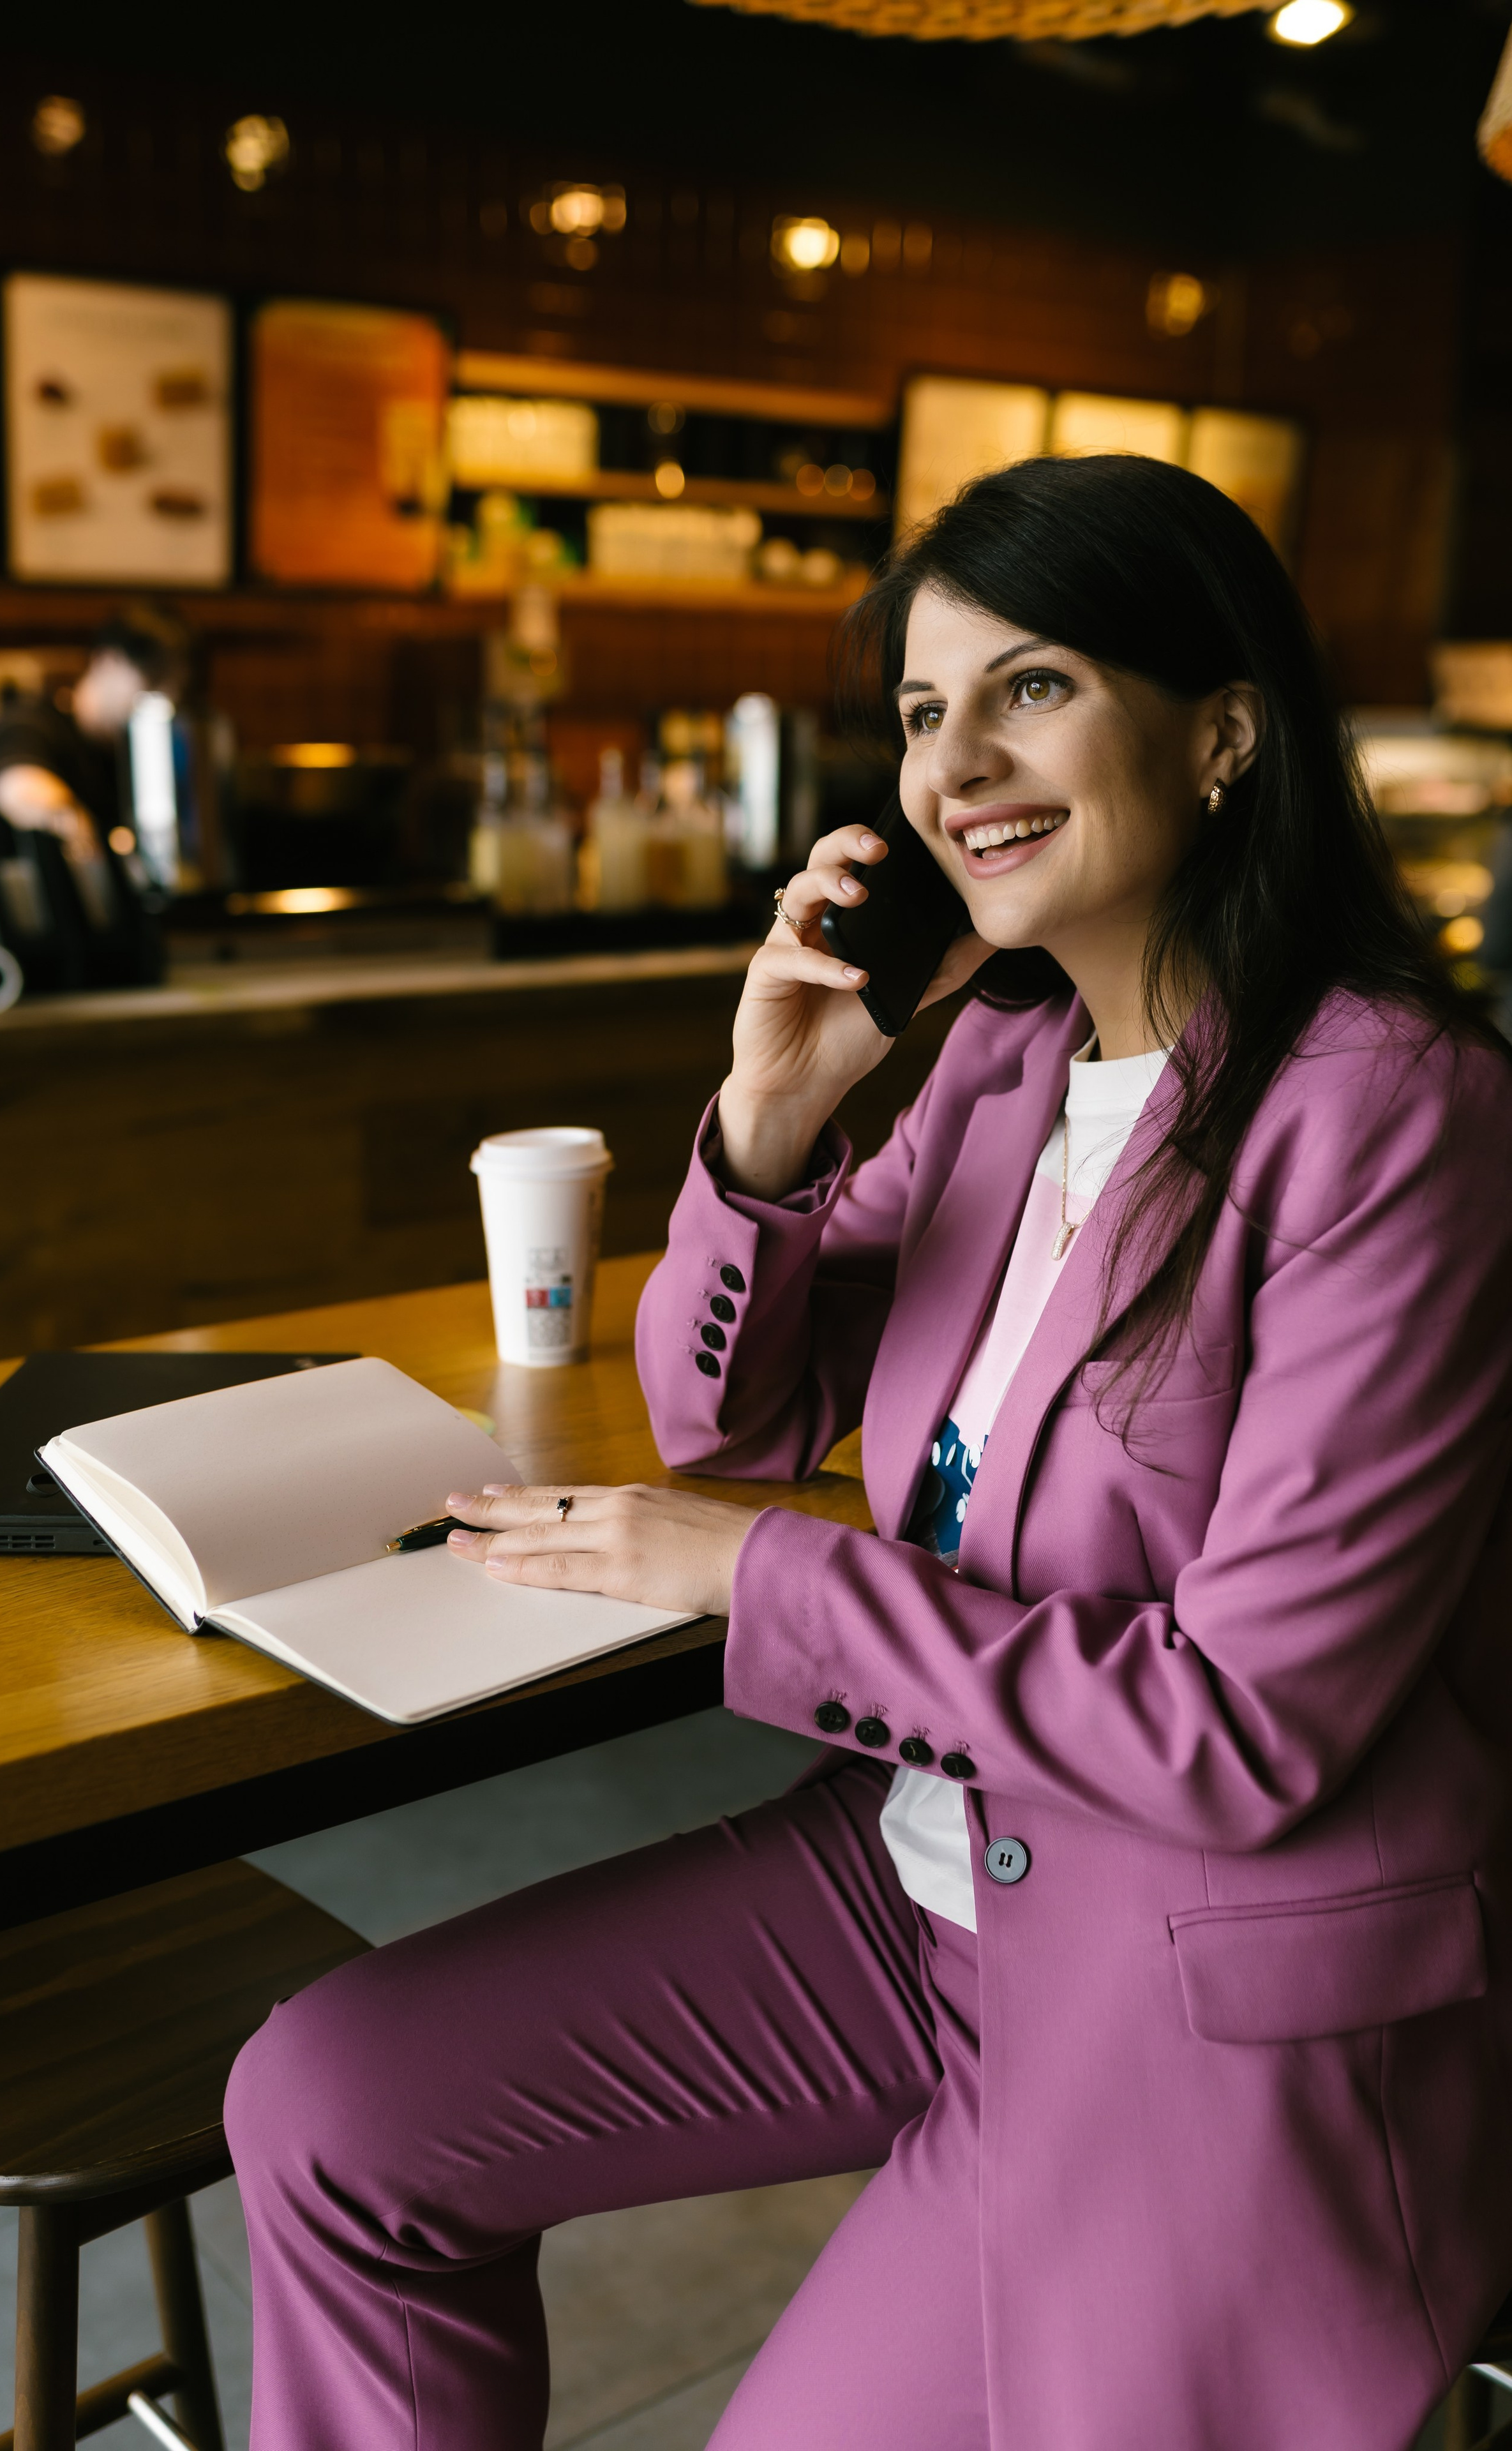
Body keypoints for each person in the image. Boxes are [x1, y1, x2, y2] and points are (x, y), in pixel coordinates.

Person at [225, 456, 1512, 2451]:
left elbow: (1248, 1733)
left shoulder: (1395, 1115)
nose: (954, 765)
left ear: (1227, 730)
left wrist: (751, 1570)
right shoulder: (1005, 1060)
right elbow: (733, 1413)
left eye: (1031, 687)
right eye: (922, 711)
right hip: (921, 1881)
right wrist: (766, 1125)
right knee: (331, 2103)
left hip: (1180, 1980)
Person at [0, 608, 184, 987]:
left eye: (173, 688)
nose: (166, 699)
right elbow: (18, 785)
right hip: (6, 970)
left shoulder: (128, 756)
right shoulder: (30, 723)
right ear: (107, 662)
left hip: (100, 970)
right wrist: (69, 817)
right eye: (153, 681)